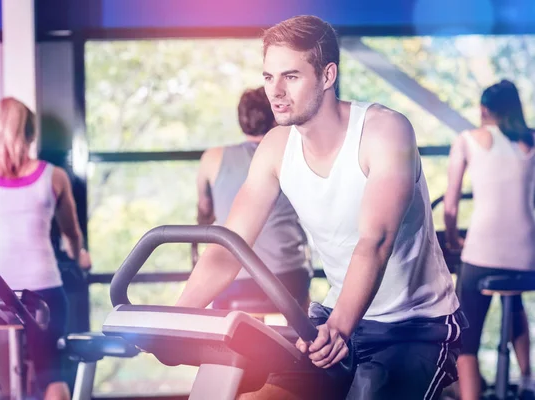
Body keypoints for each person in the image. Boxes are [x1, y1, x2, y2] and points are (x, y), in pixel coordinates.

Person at [176, 15, 464, 399]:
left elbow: (375, 242)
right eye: (268, 77)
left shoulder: (385, 132)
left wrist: (341, 327)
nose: (275, 92)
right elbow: (229, 248)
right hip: (332, 318)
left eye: (290, 76)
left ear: (327, 75)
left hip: (413, 326)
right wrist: (177, 318)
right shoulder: (275, 148)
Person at [0, 97, 91, 400]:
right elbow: (72, 234)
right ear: (32, 135)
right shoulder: (54, 176)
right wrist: (79, 256)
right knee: (53, 374)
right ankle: (52, 383)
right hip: (42, 293)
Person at [444, 79, 535, 400]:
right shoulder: (531, 142)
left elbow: (451, 206)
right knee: (514, 299)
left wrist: (454, 239)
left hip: (483, 255)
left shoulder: (468, 139)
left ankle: (472, 397)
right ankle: (527, 380)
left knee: (466, 333)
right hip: (528, 260)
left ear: (484, 109)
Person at [192, 86, 312, 311]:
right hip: (289, 277)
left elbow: (204, 209)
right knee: (302, 313)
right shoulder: (293, 153)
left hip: (233, 281)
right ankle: (303, 343)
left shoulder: (212, 158)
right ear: (275, 116)